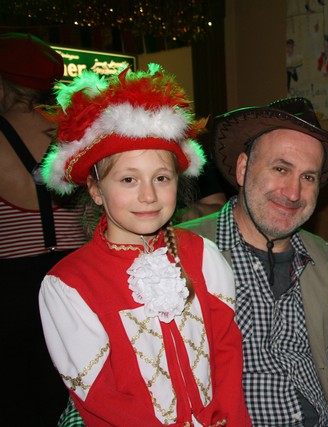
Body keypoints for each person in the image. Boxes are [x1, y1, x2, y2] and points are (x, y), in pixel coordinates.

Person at [38, 64, 251, 426]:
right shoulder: (69, 286)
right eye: (128, 179)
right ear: (96, 190)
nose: (149, 195)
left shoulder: (203, 257)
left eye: (161, 178)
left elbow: (227, 358)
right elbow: (101, 395)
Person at [180, 97, 328, 426]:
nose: (294, 192)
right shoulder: (181, 252)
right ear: (243, 168)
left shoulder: (325, 259)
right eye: (281, 169)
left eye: (309, 177)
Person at [0, 32, 87, 426]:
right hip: (75, 279)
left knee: (16, 399)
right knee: (73, 392)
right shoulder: (73, 135)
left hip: (10, 290)